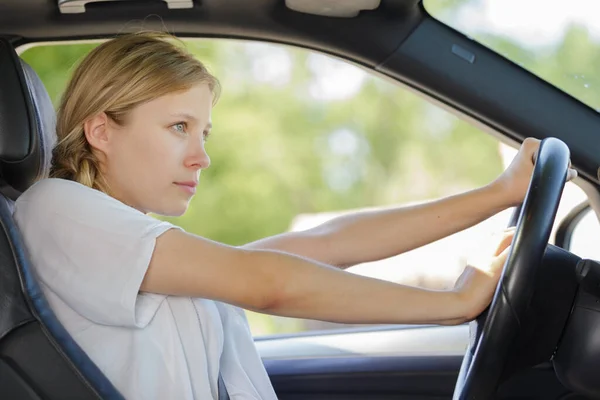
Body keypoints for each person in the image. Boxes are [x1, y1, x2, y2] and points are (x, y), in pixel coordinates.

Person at [13, 31, 576, 400]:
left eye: (202, 132)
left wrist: (498, 194)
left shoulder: (123, 238)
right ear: (101, 129)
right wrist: (453, 305)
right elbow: (270, 284)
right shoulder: (60, 210)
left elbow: (321, 245)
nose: (201, 156)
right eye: (177, 127)